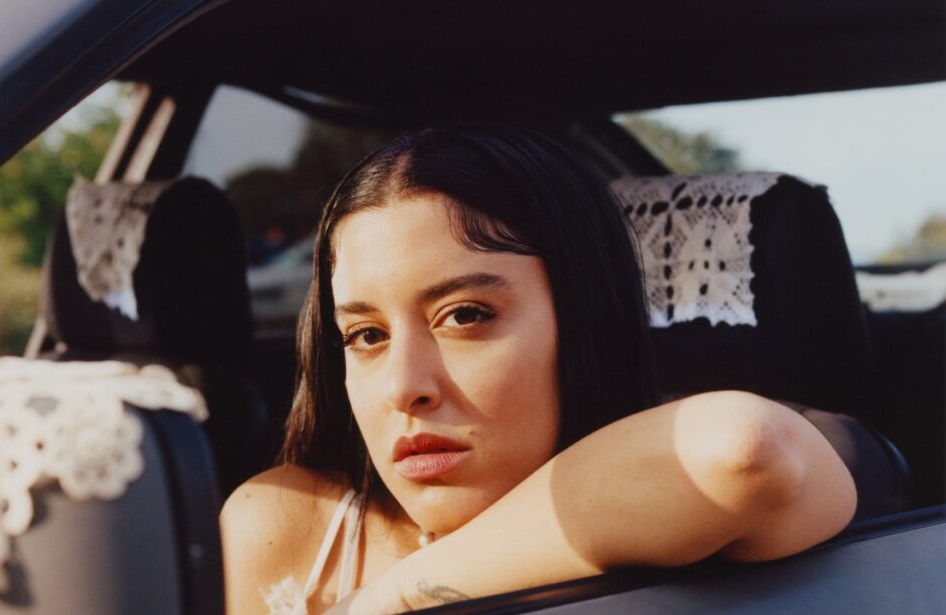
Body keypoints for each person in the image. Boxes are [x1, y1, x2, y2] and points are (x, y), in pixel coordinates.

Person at [220, 125, 857, 615]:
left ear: (585, 320)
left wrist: (397, 597)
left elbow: (744, 449)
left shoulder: (716, 503)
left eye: (465, 315)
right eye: (366, 335)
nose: (403, 387)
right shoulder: (287, 528)